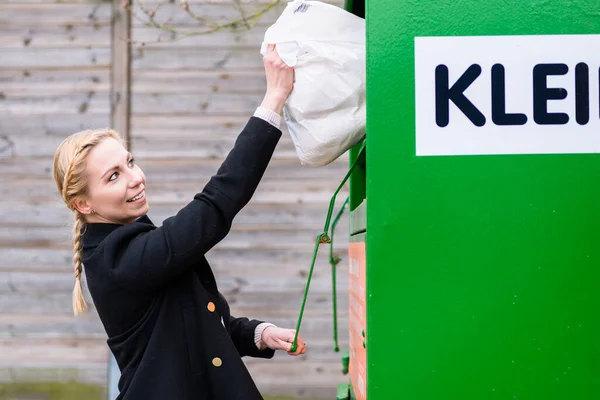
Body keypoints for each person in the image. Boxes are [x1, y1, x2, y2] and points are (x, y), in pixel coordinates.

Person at [52, 44, 306, 400]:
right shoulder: (118, 258)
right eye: (113, 176)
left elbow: (194, 328)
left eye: (130, 162)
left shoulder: (136, 243)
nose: (135, 177)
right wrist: (273, 99)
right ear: (83, 204)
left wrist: (257, 334)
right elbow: (216, 205)